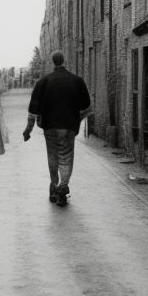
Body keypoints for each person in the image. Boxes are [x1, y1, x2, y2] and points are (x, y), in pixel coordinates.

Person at [23, 51, 91, 207]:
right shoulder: (77, 81)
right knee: (66, 157)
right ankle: (63, 187)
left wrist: (28, 129)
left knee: (52, 156)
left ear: (53, 62)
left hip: (50, 127)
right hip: (68, 128)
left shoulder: (43, 82)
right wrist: (76, 120)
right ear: (64, 60)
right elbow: (87, 107)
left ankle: (53, 187)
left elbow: (33, 109)